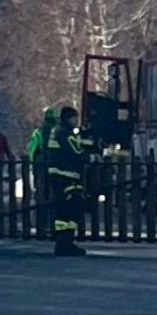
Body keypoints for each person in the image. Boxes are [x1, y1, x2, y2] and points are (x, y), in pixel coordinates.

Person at [46, 106, 91, 257]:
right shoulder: (64, 133)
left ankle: (64, 242)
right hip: (65, 176)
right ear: (67, 119)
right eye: (74, 118)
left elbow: (77, 144)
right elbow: (76, 152)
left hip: (62, 175)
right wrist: (92, 157)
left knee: (66, 209)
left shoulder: (60, 132)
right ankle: (65, 243)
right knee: (71, 207)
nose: (76, 121)